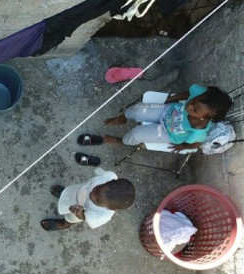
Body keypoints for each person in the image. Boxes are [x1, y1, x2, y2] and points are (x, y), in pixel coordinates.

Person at [81, 85, 232, 153]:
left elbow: (196, 144)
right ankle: (123, 118)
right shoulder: (200, 94)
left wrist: (182, 147)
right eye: (194, 101)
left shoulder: (199, 130)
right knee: (138, 108)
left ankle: (121, 141)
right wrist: (172, 98)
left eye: (194, 109)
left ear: (204, 117)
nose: (190, 105)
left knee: (137, 134)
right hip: (169, 111)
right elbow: (188, 93)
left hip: (169, 132)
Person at [41, 168, 135, 231]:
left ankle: (65, 224)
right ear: (109, 181)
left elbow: (89, 220)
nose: (91, 195)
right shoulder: (109, 176)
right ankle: (64, 194)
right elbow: (98, 170)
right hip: (77, 190)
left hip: (79, 211)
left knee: (71, 218)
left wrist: (81, 215)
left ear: (111, 208)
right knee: (69, 194)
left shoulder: (104, 215)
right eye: (96, 189)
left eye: (97, 201)